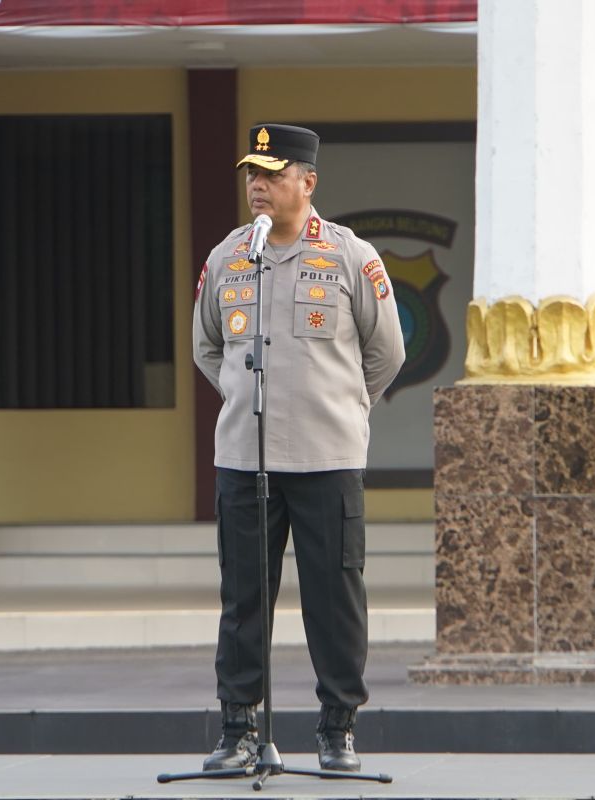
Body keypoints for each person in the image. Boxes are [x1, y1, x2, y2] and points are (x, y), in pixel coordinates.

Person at [192, 123, 405, 772]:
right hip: (244, 456)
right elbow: (207, 347)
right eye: (252, 174)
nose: (257, 185)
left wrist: (340, 406)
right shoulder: (230, 256)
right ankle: (238, 728)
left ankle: (338, 727)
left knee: (333, 597)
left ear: (308, 181)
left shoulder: (349, 256)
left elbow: (386, 352)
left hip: (326, 457)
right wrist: (243, 396)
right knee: (243, 599)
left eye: (272, 174)